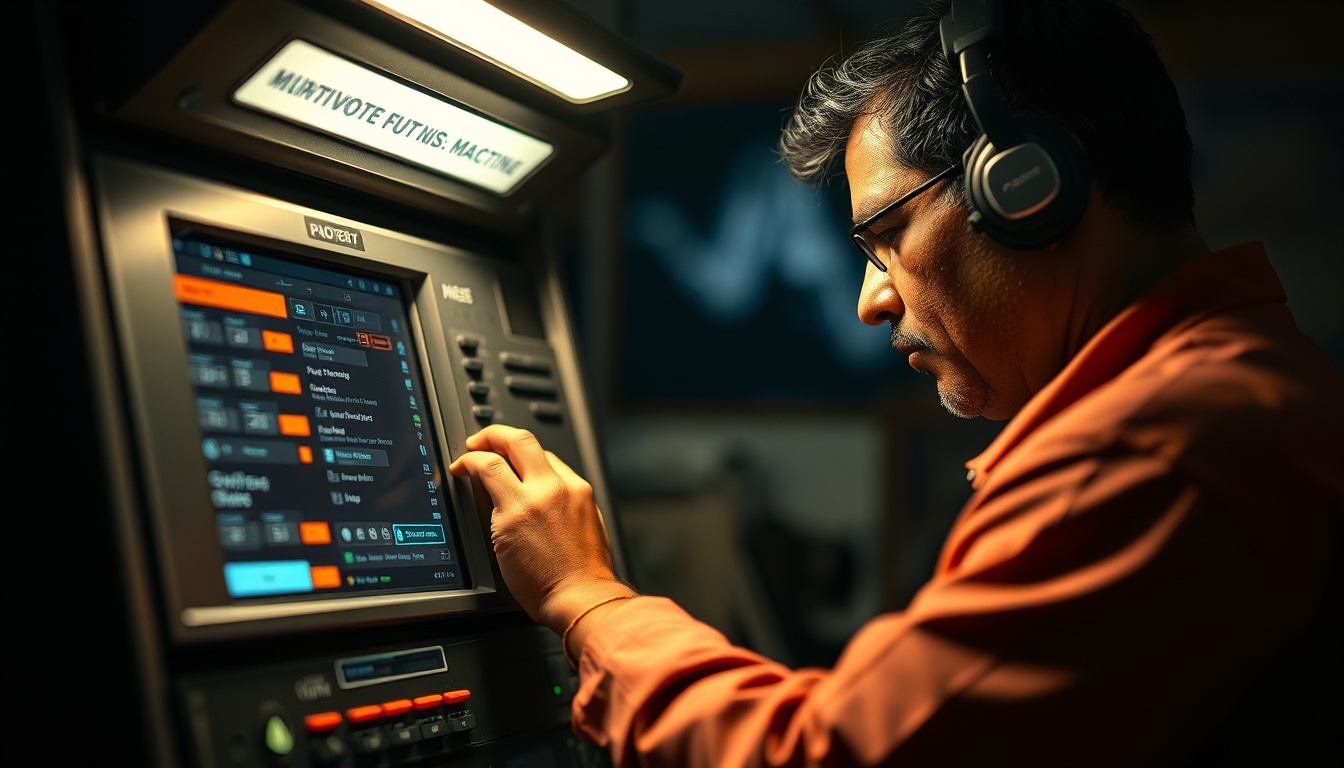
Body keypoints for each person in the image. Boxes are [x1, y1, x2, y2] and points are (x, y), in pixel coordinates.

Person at [449, 0, 1343, 764]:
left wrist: (584, 598)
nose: (871, 302)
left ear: (1029, 185)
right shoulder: (1247, 379)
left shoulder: (1148, 449)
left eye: (884, 238)